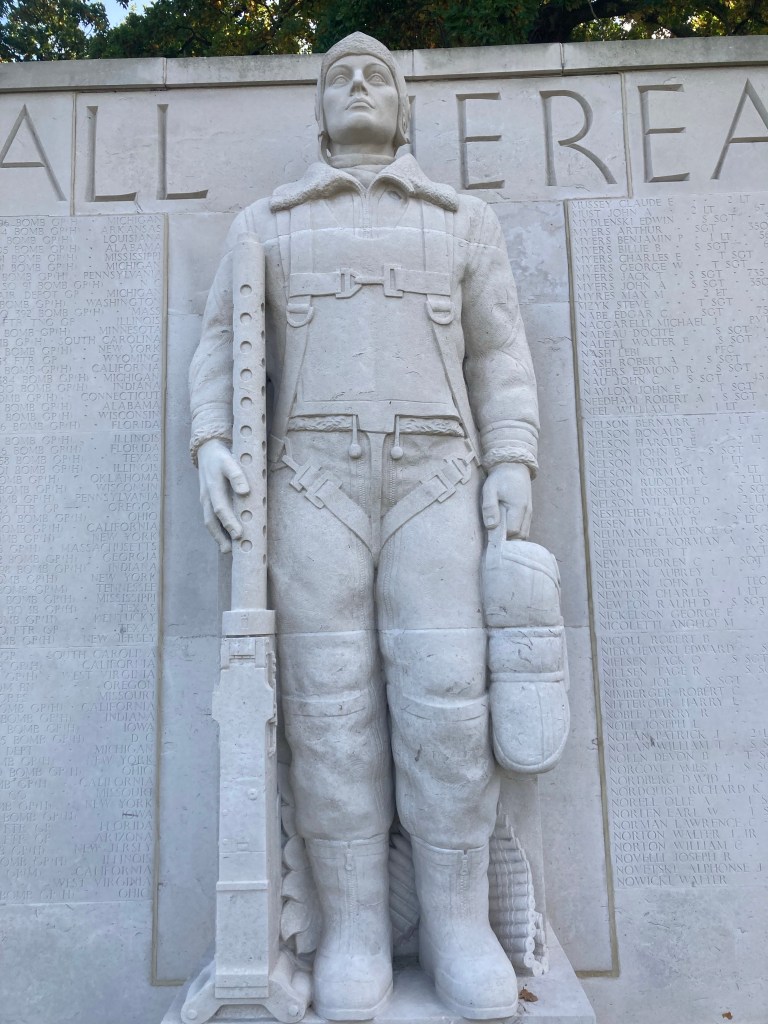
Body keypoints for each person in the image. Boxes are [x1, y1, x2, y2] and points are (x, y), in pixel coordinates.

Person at [189, 32, 539, 1022]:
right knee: (327, 711)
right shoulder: (266, 225)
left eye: (375, 75)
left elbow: (500, 352)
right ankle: (352, 930)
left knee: (448, 704)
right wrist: (211, 441)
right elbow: (221, 346)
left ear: (403, 106)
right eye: (338, 75)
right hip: (311, 483)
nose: (355, 84)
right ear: (318, 109)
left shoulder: (463, 221)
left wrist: (513, 457)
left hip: (439, 480)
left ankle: (460, 927)